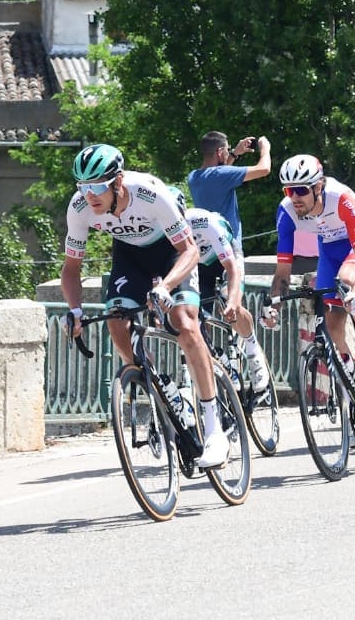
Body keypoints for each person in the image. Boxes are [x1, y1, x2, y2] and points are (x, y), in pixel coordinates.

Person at [59, 145, 230, 469]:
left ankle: (213, 429)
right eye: (82, 187)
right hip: (130, 258)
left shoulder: (150, 193)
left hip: (173, 254)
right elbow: (70, 268)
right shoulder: (80, 206)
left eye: (96, 187)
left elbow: (190, 251)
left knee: (184, 322)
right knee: (116, 321)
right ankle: (164, 388)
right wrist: (76, 310)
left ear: (117, 182)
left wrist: (165, 286)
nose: (89, 196)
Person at [259, 154, 355, 391]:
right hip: (330, 248)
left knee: (348, 280)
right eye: (289, 191)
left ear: (318, 186)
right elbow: (282, 271)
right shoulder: (286, 212)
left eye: (300, 190)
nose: (295, 198)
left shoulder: (340, 198)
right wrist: (273, 306)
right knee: (331, 323)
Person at [172, 186, 270, 395]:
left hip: (225, 258)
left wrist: (233, 300)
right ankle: (219, 363)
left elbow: (232, 268)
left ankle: (252, 348)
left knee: (229, 299)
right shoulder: (162, 234)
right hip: (198, 266)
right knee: (192, 319)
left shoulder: (203, 222)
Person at [186, 131, 271, 244]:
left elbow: (219, 172)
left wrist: (235, 153)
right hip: (229, 246)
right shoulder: (221, 175)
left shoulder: (193, 177)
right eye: (227, 149)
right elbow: (264, 169)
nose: (229, 152)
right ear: (220, 152)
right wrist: (265, 149)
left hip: (207, 245)